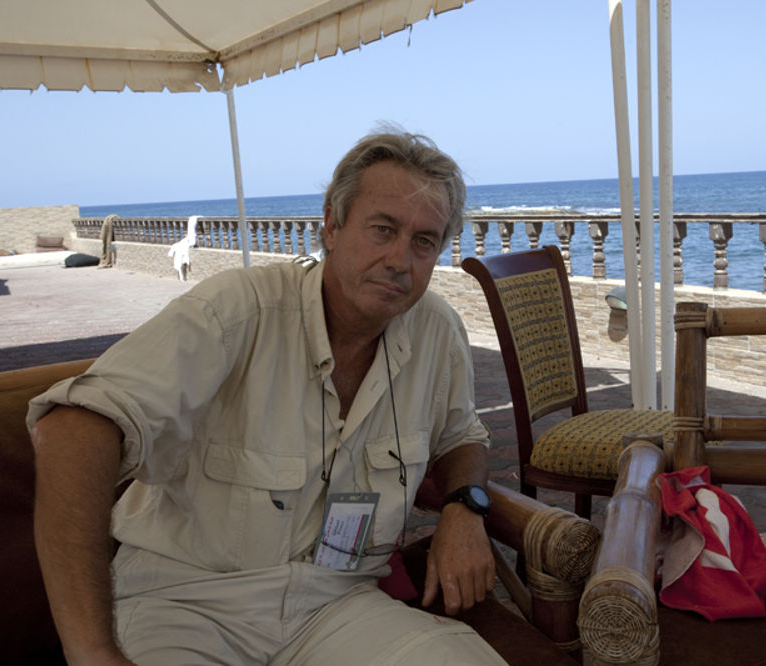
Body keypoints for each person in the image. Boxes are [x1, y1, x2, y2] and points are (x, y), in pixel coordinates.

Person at [28, 129, 504, 665]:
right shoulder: (235, 312)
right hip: (185, 602)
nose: (400, 259)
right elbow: (72, 428)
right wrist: (92, 650)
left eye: (424, 241)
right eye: (383, 229)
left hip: (336, 604)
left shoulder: (436, 330)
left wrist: (465, 508)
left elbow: (462, 435)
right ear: (332, 224)